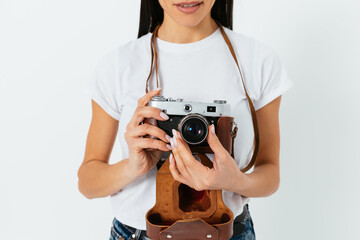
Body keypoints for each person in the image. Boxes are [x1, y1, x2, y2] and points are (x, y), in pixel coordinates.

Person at [78, 0, 294, 239]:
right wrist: (133, 167)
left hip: (227, 230)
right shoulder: (118, 64)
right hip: (137, 231)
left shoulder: (257, 61)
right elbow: (88, 183)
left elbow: (270, 174)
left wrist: (234, 181)